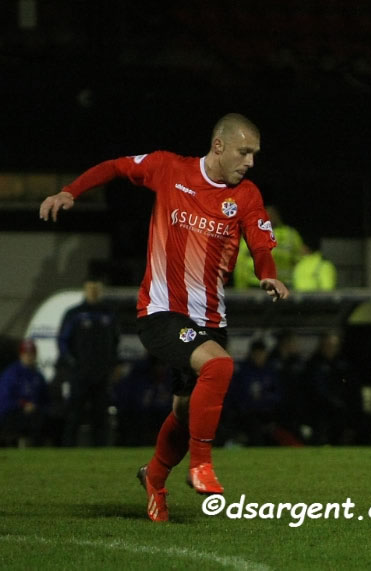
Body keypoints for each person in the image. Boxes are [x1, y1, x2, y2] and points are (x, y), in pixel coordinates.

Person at [39, 113, 290, 522]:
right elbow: (116, 167)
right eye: (244, 152)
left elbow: (261, 246)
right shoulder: (168, 168)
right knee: (220, 366)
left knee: (186, 412)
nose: (250, 162)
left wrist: (269, 275)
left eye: (255, 154)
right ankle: (201, 465)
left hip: (210, 319)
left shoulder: (246, 195)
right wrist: (71, 191)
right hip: (161, 312)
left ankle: (154, 478)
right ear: (219, 146)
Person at [57, 275, 120, 446]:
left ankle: (100, 451)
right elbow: (63, 342)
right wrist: (73, 364)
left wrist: (112, 365)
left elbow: (115, 342)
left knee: (100, 415)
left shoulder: (108, 313)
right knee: (75, 414)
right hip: (80, 374)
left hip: (101, 374)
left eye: (96, 288)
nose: (93, 292)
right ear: (85, 290)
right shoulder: (74, 314)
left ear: (101, 290)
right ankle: (68, 449)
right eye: (90, 288)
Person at [233, 205, 307, 289]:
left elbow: (301, 260)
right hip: (255, 284)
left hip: (283, 284)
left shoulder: (290, 235)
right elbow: (241, 261)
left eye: (273, 214)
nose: (269, 216)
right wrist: (241, 287)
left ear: (278, 216)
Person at [0, 339, 49, 447]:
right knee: (32, 421)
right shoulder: (11, 373)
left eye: (31, 354)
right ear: (21, 355)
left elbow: (45, 399)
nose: (29, 356)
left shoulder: (37, 376)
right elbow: (4, 399)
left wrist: (37, 406)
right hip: (12, 413)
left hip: (33, 413)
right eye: (26, 353)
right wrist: (22, 405)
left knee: (43, 419)